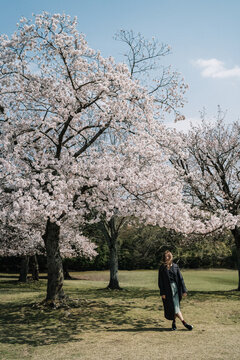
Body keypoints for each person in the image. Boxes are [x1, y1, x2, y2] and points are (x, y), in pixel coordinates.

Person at [158, 250, 193, 331]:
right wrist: (162, 293)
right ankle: (183, 323)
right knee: (172, 307)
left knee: (175, 306)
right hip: (167, 290)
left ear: (171, 257)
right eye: (165, 256)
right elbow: (160, 281)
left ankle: (176, 323)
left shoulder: (175, 266)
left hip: (176, 289)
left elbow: (181, 279)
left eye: (168, 256)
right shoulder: (162, 268)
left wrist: (184, 290)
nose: (166, 258)